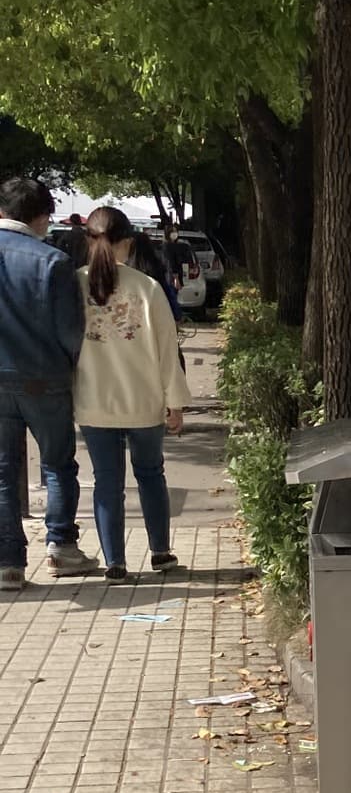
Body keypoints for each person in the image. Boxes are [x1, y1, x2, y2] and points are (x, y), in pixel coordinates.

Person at [76, 205, 190, 582]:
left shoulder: (74, 286)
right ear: (127, 242)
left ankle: (115, 561)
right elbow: (166, 350)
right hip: (144, 401)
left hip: (94, 402)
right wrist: (175, 402)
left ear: (89, 241)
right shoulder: (147, 288)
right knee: (151, 474)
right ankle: (160, 551)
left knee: (106, 481)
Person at [0, 175, 96, 591]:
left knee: (2, 471)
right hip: (44, 376)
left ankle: (8, 563)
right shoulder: (53, 261)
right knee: (57, 464)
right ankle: (61, 547)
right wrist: (71, 365)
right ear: (42, 217)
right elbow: (70, 330)